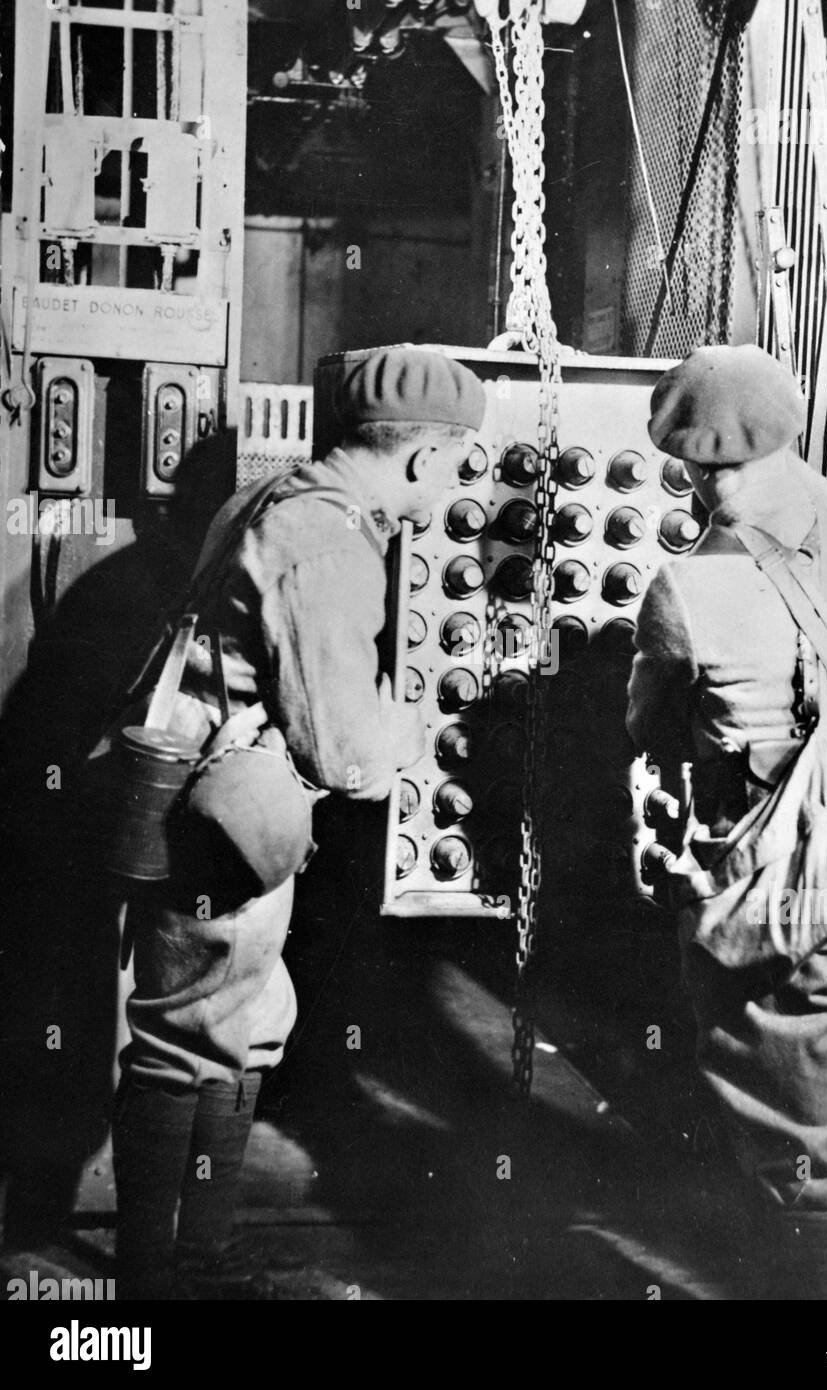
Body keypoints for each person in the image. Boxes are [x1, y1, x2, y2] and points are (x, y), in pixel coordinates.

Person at [109, 347, 486, 1299]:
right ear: (418, 461)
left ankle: (194, 1253)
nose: (450, 487)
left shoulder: (277, 500)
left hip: (225, 813)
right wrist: (422, 722)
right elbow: (346, 757)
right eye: (454, 464)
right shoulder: (324, 545)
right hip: (221, 826)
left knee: (246, 1024)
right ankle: (154, 1278)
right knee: (186, 1035)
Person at [626, 344, 827, 1300]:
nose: (695, 479)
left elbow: (649, 728)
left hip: (773, 900)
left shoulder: (684, 589)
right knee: (823, 1118)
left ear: (693, 460)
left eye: (694, 464)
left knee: (805, 1160)